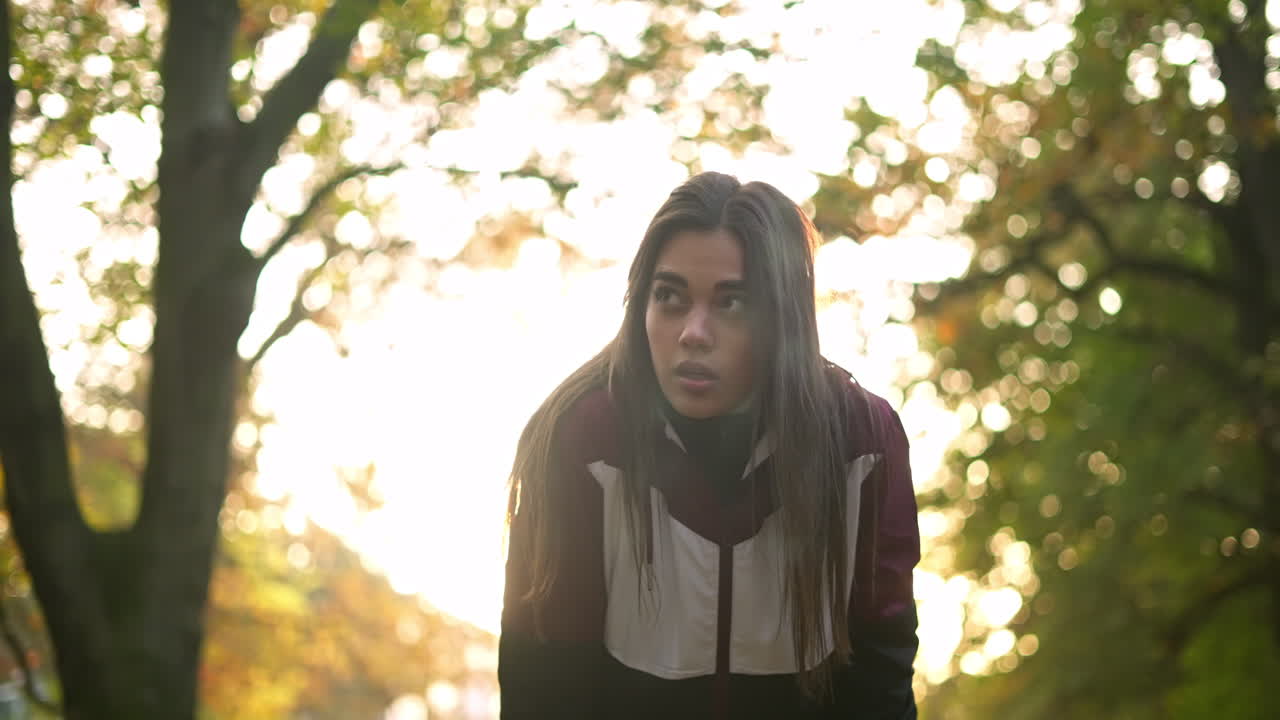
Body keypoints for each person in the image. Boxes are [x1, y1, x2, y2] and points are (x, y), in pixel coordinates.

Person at [499, 172, 920, 719]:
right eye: (670, 297)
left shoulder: (862, 445)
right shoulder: (580, 439)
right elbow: (544, 689)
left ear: (785, 320)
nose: (694, 332)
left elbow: (879, 684)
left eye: (733, 303)